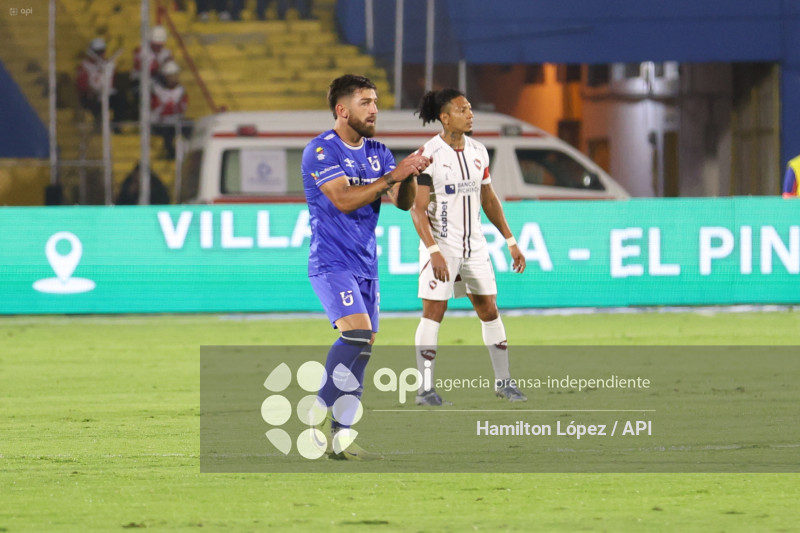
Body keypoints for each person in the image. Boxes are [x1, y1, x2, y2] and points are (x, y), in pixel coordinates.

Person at [301, 74, 430, 459]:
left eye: (375, 101)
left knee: (364, 348)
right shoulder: (321, 151)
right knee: (356, 336)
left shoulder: (378, 151)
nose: (374, 109)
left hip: (366, 264)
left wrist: (411, 175)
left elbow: (403, 203)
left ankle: (341, 438)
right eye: (365, 102)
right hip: (331, 260)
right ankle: (314, 416)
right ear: (342, 110)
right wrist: (393, 175)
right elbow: (342, 199)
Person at [409, 89, 528, 406]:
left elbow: (488, 198)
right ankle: (425, 389)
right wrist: (433, 250)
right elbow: (417, 210)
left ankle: (504, 383)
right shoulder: (428, 156)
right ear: (445, 117)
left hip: (475, 246)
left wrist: (510, 240)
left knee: (489, 309)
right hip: (442, 247)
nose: (470, 114)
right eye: (463, 109)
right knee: (434, 311)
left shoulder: (479, 152)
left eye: (471, 108)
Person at [150, 60, 189, 160]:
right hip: (159, 122)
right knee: (167, 132)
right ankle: (170, 154)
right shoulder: (156, 90)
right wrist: (168, 109)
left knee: (189, 127)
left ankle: (188, 154)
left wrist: (170, 109)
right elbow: (155, 109)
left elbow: (182, 108)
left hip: (174, 121)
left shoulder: (181, 90)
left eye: (175, 75)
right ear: (165, 77)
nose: (174, 78)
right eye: (171, 76)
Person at [75, 38, 119, 124]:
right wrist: (93, 91)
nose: (100, 54)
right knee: (95, 104)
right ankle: (98, 125)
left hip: (106, 94)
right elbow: (82, 85)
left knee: (119, 100)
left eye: (102, 51)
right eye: (97, 52)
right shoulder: (84, 66)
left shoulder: (108, 65)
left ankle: (116, 126)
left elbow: (112, 82)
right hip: (91, 96)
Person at [131, 26, 173, 97]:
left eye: (160, 44)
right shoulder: (141, 51)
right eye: (156, 44)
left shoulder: (166, 53)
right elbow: (142, 69)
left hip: (158, 82)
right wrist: (160, 66)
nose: (158, 47)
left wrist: (168, 66)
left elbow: (171, 71)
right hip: (140, 82)